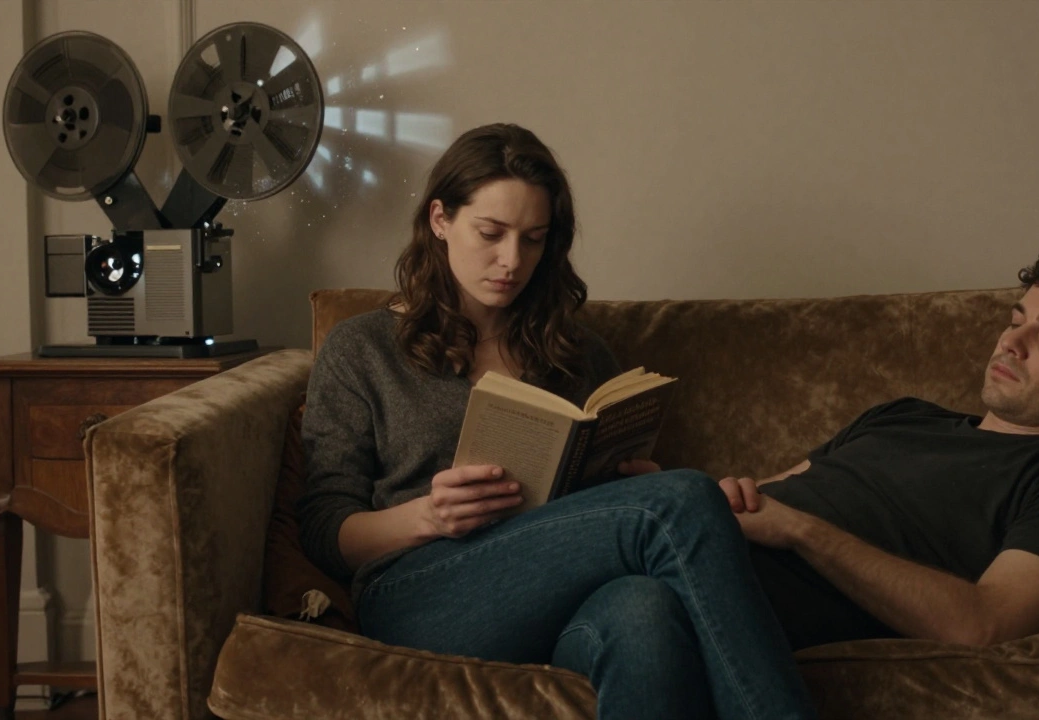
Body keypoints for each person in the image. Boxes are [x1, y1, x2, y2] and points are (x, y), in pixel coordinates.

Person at [297, 123, 814, 720]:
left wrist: (630, 480)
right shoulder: (362, 348)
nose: (512, 261)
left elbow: (604, 509)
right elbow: (323, 530)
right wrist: (428, 516)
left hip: (561, 595)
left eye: (534, 239)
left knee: (644, 610)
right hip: (421, 592)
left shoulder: (576, 353)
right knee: (681, 501)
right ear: (440, 219)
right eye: (490, 233)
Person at [718, 249, 1039, 650]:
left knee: (648, 602)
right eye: (1015, 322)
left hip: (742, 593)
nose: (1010, 344)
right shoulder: (901, 415)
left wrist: (803, 531)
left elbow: (986, 624)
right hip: (698, 544)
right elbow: (759, 496)